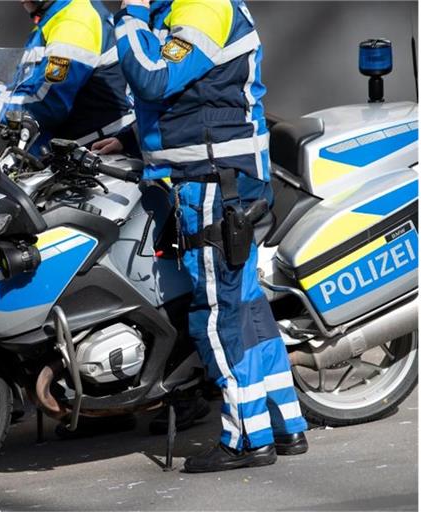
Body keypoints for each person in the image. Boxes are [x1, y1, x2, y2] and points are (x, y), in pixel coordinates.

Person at [110, 0, 308, 472]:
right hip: (225, 180)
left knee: (217, 314)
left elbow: (155, 78)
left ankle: (244, 440)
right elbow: (199, 97)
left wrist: (131, 15)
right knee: (246, 306)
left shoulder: (203, 8)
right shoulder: (184, 10)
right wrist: (132, 140)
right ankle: (282, 422)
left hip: (213, 183)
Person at [0, 0, 135, 155]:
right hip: (71, 152)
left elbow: (48, 106)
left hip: (97, 153)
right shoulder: (53, 19)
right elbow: (29, 87)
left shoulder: (74, 22)